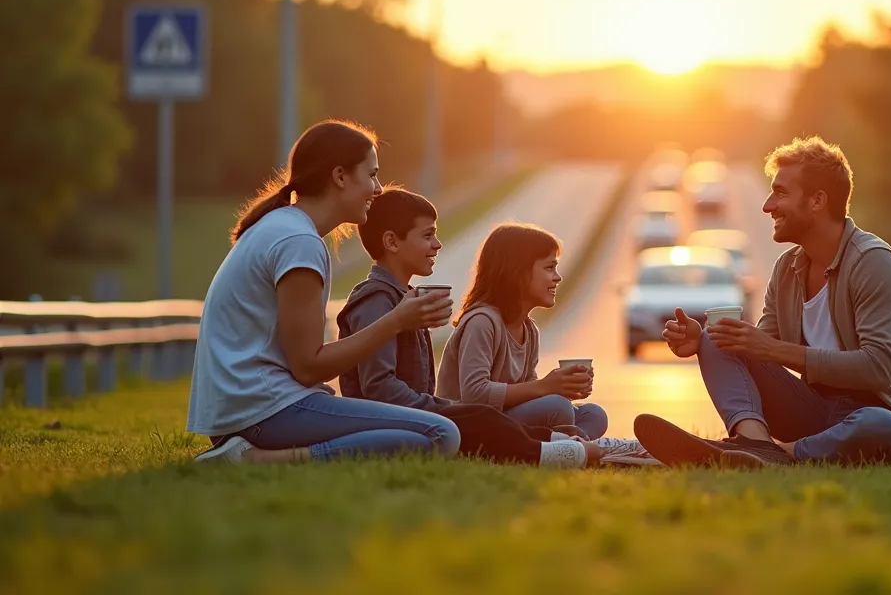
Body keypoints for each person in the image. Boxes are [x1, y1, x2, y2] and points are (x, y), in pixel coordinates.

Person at [634, 137, 891, 470]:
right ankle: (755, 443)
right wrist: (702, 342)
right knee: (718, 335)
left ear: (817, 201)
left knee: (882, 427)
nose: (768, 206)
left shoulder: (872, 262)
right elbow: (754, 349)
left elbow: (879, 369)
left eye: (781, 193)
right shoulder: (786, 270)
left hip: (878, 416)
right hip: (814, 411)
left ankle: (785, 453)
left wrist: (773, 350)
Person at [187, 119, 461, 464]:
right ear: (341, 176)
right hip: (262, 411)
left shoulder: (287, 228)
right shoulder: (298, 242)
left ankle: (255, 453)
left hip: (249, 408)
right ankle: (258, 460)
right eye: (372, 174)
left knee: (426, 432)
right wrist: (395, 321)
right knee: (441, 433)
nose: (378, 189)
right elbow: (308, 367)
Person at [334, 186, 601, 468]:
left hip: (424, 416)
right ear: (392, 242)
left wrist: (550, 387)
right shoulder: (377, 301)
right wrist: (439, 409)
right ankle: (564, 450)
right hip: (395, 422)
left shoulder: (404, 299)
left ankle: (576, 444)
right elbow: (379, 388)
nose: (438, 244)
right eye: (427, 235)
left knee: (588, 414)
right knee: (487, 418)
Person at [437, 223, 609, 439]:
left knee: (594, 414)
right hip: (469, 425)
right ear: (517, 273)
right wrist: (545, 387)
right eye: (549, 268)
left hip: (505, 419)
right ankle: (568, 444)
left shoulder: (529, 329)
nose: (558, 277)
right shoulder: (482, 322)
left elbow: (529, 393)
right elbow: (474, 393)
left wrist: (561, 387)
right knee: (557, 408)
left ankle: (569, 443)